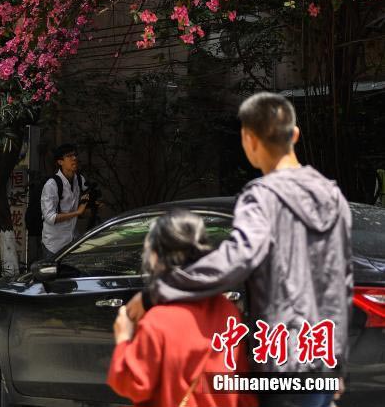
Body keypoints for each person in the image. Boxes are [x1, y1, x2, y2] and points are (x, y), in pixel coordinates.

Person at [127, 93, 353, 407]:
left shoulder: (260, 196)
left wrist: (159, 291)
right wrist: (337, 363)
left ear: (248, 139)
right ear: (295, 135)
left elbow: (237, 258)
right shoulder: (334, 196)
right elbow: (340, 286)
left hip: (280, 360)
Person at [108, 209, 257, 407]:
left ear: (156, 256)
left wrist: (124, 338)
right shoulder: (227, 310)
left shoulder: (157, 321)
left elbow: (135, 383)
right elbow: (241, 383)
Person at [40, 143, 89, 260]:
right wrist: (77, 213)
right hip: (54, 245)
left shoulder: (79, 179)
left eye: (75, 155)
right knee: (53, 277)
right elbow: (50, 218)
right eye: (69, 156)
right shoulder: (51, 185)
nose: (74, 158)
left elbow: (86, 194)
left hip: (72, 241)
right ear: (60, 162)